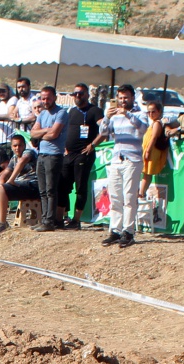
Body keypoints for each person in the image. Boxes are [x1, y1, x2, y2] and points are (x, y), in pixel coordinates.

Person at [94, 84, 149, 247]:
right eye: (120, 98)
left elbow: (143, 128)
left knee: (129, 196)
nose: (123, 101)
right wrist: (106, 117)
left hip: (133, 160)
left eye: (126, 98)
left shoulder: (140, 113)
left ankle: (128, 231)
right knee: (115, 196)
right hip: (117, 159)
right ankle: (115, 230)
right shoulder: (115, 116)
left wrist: (128, 114)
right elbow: (104, 132)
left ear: (132, 98)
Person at [61, 84, 102, 231]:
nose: (78, 96)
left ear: (87, 95)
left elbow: (104, 129)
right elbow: (65, 129)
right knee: (63, 185)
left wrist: (93, 145)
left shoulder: (95, 111)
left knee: (80, 188)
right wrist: (64, 145)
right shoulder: (72, 111)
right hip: (69, 154)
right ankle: (63, 216)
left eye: (81, 93)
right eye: (75, 94)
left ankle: (76, 220)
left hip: (84, 154)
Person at [31, 86, 68, 232]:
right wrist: (46, 130)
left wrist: (41, 133)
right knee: (42, 190)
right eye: (43, 98)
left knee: (51, 189)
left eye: (48, 98)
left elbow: (54, 134)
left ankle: (50, 221)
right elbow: (33, 133)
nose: (45, 101)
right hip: (41, 154)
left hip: (54, 155)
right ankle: (44, 218)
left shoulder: (61, 113)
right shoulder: (42, 114)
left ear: (54, 98)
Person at [0, 132, 39, 235]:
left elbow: (22, 162)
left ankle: (2, 222)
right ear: (11, 147)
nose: (17, 148)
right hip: (18, 184)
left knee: (1, 188)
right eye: (15, 146)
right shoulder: (13, 158)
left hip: (31, 184)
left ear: (24, 145)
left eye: (20, 145)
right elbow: (5, 173)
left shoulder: (29, 152)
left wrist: (10, 180)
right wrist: (2, 183)